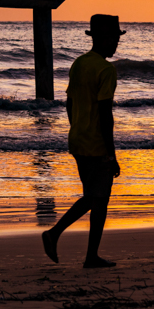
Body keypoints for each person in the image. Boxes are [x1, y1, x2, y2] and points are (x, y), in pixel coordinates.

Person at [41, 14, 124, 269]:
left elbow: (70, 102)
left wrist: (76, 127)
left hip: (77, 140)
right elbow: (105, 114)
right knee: (98, 199)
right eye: (113, 38)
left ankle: (84, 252)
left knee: (93, 197)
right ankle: (60, 237)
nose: (116, 44)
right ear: (103, 39)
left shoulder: (79, 64)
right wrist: (112, 154)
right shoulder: (106, 69)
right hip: (97, 144)